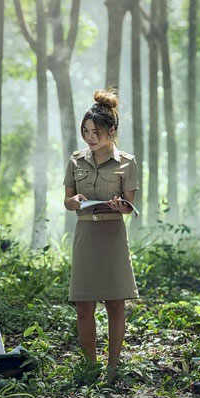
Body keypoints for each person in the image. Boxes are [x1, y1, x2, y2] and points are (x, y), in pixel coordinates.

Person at [63, 89, 139, 378]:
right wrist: (74, 202)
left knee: (115, 302)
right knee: (84, 302)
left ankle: (113, 365)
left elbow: (129, 205)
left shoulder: (126, 162)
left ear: (112, 130)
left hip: (113, 234)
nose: (90, 137)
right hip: (86, 234)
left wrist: (122, 206)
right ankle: (90, 365)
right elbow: (68, 200)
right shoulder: (76, 161)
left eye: (95, 131)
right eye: (86, 131)